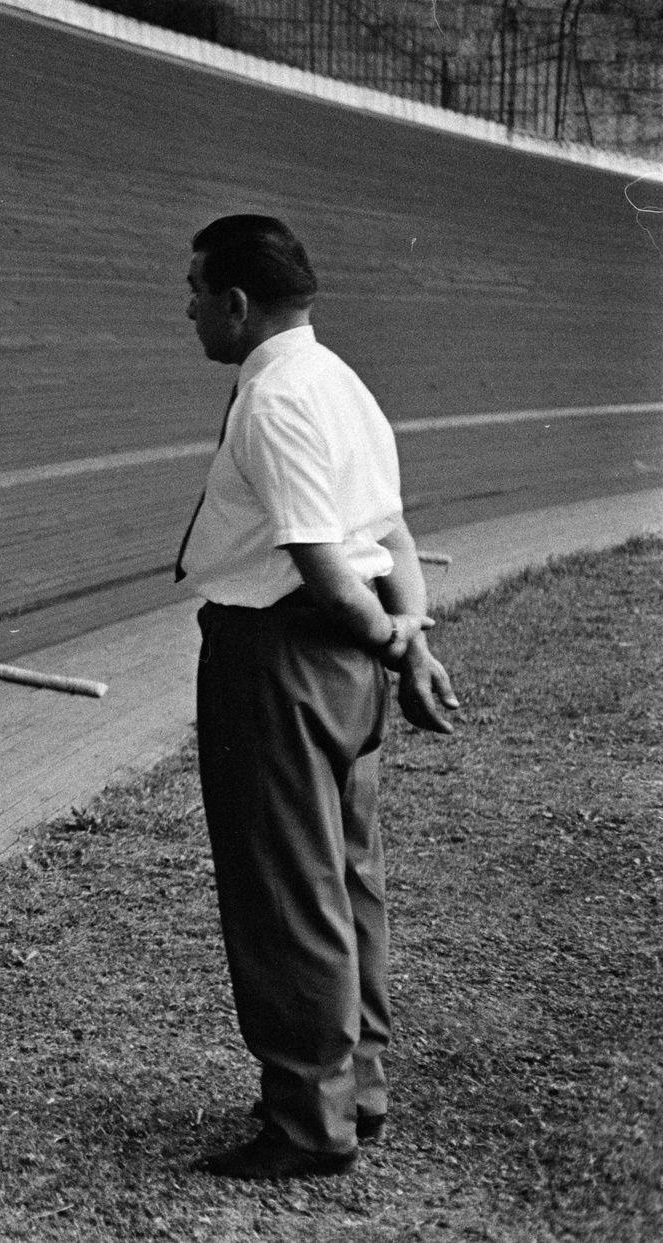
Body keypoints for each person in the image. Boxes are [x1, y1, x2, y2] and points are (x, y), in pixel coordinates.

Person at [175, 215, 459, 1179]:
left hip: (282, 656)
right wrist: (409, 643)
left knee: (285, 893)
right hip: (349, 666)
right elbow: (396, 535)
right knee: (345, 879)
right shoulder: (341, 382)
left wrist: (389, 637)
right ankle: (357, 1089)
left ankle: (307, 1121)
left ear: (238, 303)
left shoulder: (275, 399)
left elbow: (326, 567)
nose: (191, 308)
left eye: (197, 290)